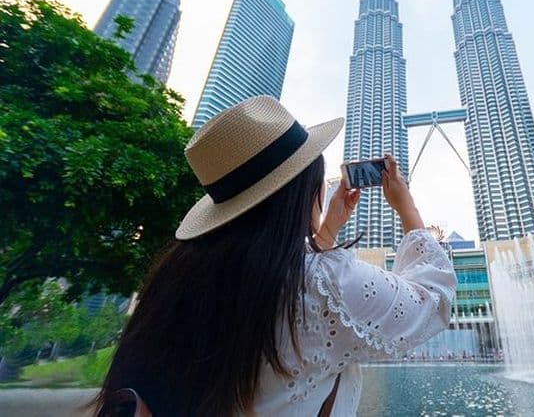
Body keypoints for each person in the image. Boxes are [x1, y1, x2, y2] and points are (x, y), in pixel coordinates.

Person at [92, 96, 456, 416]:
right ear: (300, 194)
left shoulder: (178, 275)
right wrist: (406, 208)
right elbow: (433, 302)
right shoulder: (321, 283)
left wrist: (326, 230)